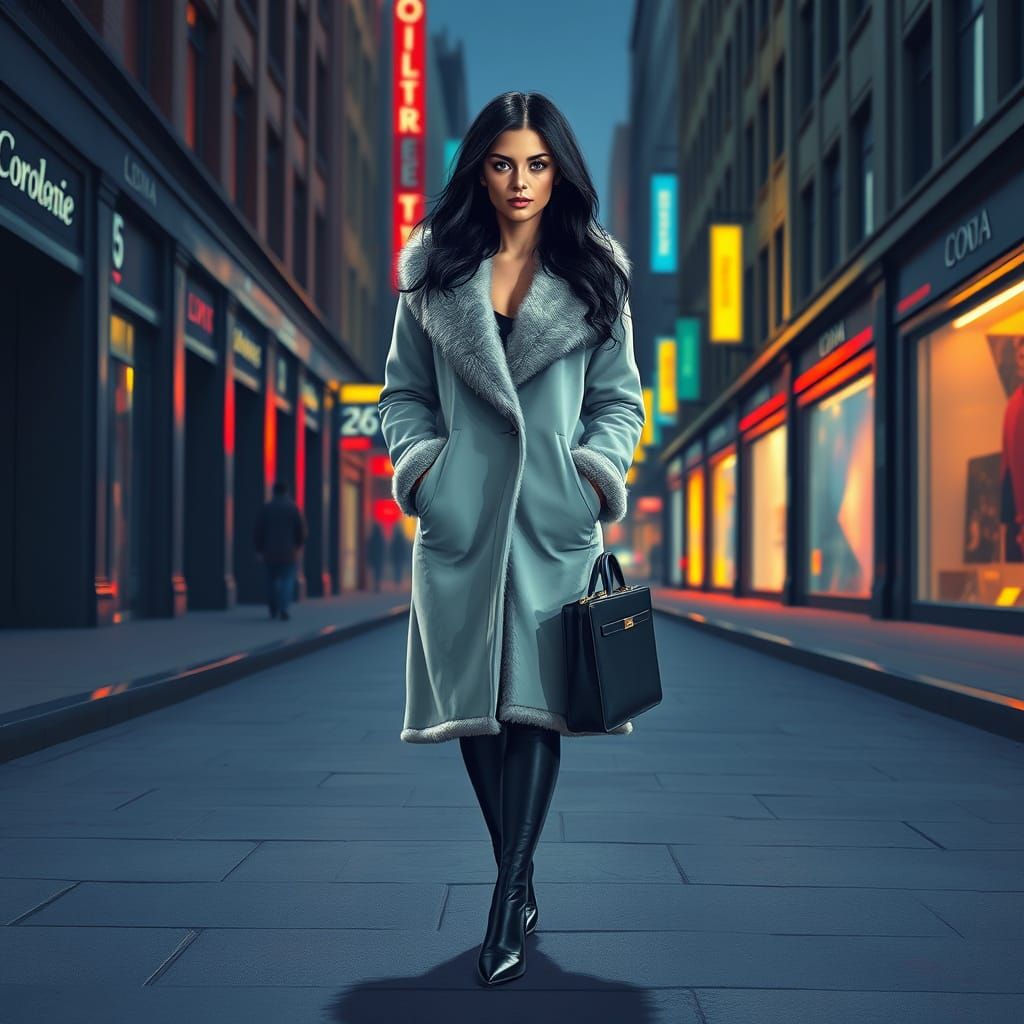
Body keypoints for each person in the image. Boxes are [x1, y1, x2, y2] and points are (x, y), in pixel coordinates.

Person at [378, 92, 645, 986]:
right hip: (461, 524)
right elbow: (402, 396)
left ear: (559, 168)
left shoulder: (597, 274)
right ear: (478, 169)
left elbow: (621, 402)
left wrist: (593, 476)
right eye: (502, 163)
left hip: (552, 524)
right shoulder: (433, 270)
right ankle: (519, 881)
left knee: (536, 703)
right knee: (476, 713)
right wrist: (426, 474)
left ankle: (505, 903)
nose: (520, 182)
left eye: (536, 163)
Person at [253, 481, 307, 620]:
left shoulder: (266, 508)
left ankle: (273, 607)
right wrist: (298, 545)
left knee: (270, 580)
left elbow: (258, 530)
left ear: (274, 492)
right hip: (289, 551)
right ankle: (284, 607)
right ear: (287, 492)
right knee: (287, 580)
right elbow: (301, 530)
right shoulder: (293, 508)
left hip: (269, 551)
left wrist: (259, 549)